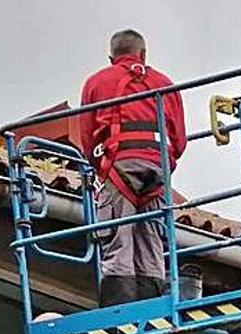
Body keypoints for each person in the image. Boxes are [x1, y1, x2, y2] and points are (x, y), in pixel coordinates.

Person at [79, 29, 187, 306]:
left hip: (119, 163)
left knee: (118, 237)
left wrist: (101, 166)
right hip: (157, 165)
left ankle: (120, 310)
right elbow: (179, 140)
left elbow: (87, 137)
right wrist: (162, 163)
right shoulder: (166, 84)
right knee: (151, 237)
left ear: (111, 57)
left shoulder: (96, 83)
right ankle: (154, 306)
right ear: (144, 54)